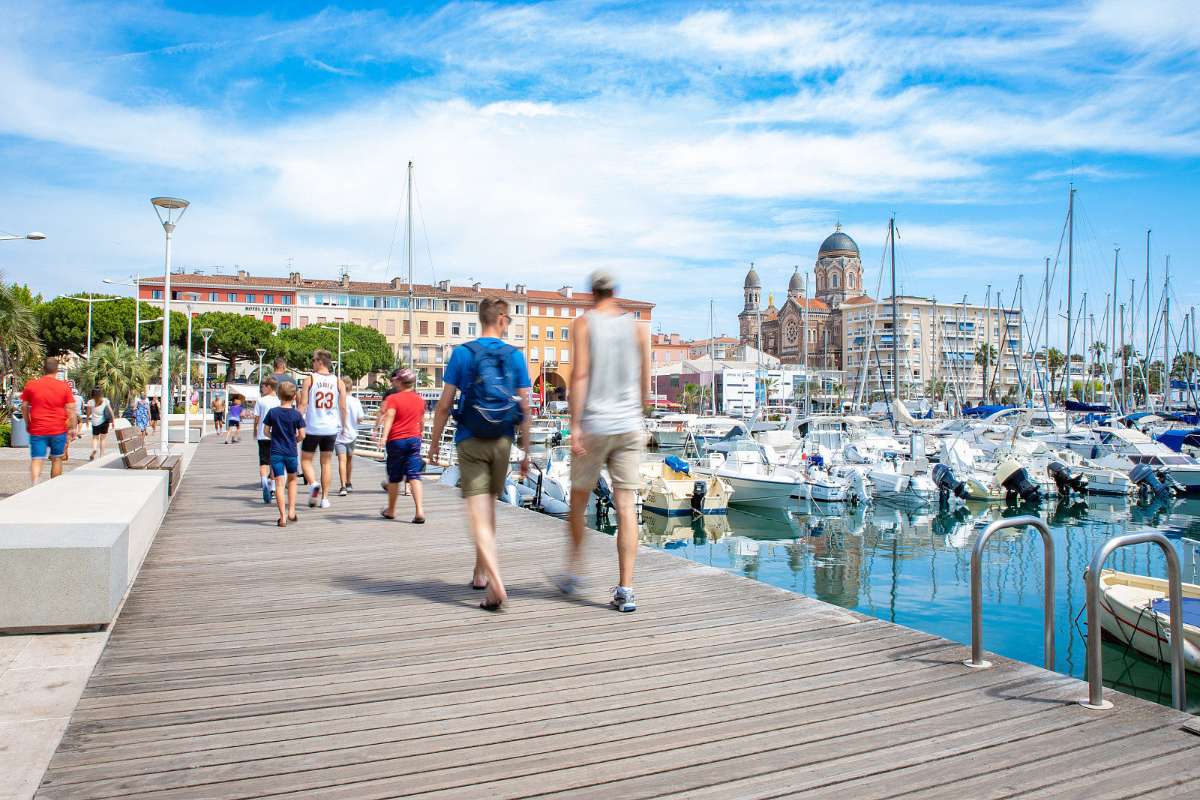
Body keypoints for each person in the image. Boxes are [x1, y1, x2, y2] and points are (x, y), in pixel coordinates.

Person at [429, 297, 532, 612]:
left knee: (476, 514)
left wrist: (434, 441)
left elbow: (444, 404)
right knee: (488, 509)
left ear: (481, 319)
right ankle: (480, 572)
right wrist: (526, 451)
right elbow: (526, 408)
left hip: (470, 438)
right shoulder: (515, 357)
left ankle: (496, 582)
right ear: (502, 320)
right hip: (502, 439)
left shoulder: (462, 354)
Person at [557, 271, 650, 613]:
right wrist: (638, 413)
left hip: (596, 423)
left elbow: (579, 375)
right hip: (629, 425)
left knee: (579, 501)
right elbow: (645, 383)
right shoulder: (637, 328)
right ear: (615, 291)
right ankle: (626, 588)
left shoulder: (584, 324)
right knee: (626, 507)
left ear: (591, 293)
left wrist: (575, 425)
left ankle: (573, 570)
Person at [296, 349, 348, 509]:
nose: (312, 363)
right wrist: (344, 425)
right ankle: (325, 498)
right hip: (331, 428)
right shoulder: (339, 382)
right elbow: (343, 407)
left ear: (320, 362)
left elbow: (303, 404)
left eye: (313, 360)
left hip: (313, 427)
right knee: (326, 463)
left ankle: (313, 484)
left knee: (305, 460)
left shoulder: (310, 380)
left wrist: (296, 424)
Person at [378, 368, 426, 523]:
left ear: (399, 381)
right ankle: (419, 511)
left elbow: (390, 416)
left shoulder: (394, 398)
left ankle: (391, 510)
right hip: (414, 439)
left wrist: (384, 436)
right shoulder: (419, 399)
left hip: (396, 440)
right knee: (414, 475)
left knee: (394, 477)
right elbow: (422, 420)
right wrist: (421, 433)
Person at [20, 358, 78, 484]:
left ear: (43, 369)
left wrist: (27, 423)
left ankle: (35, 483)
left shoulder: (32, 385)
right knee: (57, 458)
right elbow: (71, 408)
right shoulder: (63, 387)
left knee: (37, 458)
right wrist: (73, 428)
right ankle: (53, 486)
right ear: (57, 370)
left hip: (37, 428)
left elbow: (24, 406)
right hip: (58, 429)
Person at [262, 382, 306, 527]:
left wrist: (273, 438)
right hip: (291, 453)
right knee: (292, 481)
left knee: (279, 484)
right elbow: (302, 435)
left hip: (276, 453)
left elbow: (265, 431)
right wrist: (295, 440)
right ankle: (291, 510)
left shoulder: (273, 412)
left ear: (279, 395)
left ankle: (282, 518)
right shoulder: (296, 415)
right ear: (294, 397)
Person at [253, 378, 280, 504]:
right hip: (276, 435)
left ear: (269, 387)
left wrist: (255, 430)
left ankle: (264, 481)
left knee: (263, 461)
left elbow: (257, 418)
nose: (262, 389)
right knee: (274, 462)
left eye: (263, 386)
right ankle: (273, 488)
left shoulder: (260, 401)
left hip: (262, 435)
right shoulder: (279, 401)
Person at [335, 390, 365, 496]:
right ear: (351, 388)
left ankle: (343, 486)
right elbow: (360, 418)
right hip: (352, 434)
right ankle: (348, 482)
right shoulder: (355, 401)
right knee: (349, 459)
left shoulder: (336, 400)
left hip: (339, 434)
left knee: (341, 461)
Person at [86, 388, 113, 461]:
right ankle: (101, 455)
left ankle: (94, 449)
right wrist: (113, 421)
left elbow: (88, 413)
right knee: (103, 439)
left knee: (95, 438)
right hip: (104, 422)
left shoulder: (90, 402)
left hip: (95, 422)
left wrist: (87, 420)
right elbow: (110, 411)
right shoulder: (105, 400)